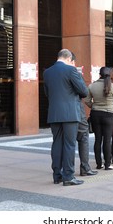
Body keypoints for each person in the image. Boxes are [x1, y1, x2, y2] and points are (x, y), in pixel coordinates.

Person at [43, 49, 88, 186]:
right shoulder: (71, 70)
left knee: (57, 143)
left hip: (54, 113)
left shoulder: (47, 72)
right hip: (70, 114)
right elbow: (84, 91)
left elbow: (47, 93)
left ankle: (57, 175)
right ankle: (68, 176)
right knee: (69, 144)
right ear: (69, 58)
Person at [85, 67, 113, 170]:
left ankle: (98, 164)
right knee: (107, 139)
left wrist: (94, 106)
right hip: (109, 114)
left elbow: (87, 100)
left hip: (95, 114)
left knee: (98, 139)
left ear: (99, 74)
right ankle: (107, 164)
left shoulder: (92, 86)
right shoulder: (112, 86)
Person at [70, 53, 98, 176]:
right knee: (83, 137)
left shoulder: (50, 72)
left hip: (61, 113)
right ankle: (85, 167)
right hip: (76, 110)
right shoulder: (74, 73)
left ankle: (62, 171)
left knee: (66, 142)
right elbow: (84, 92)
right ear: (71, 60)